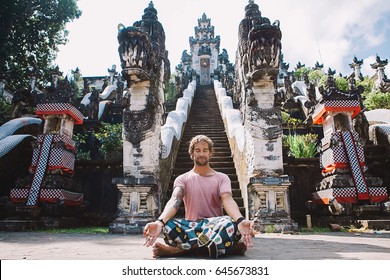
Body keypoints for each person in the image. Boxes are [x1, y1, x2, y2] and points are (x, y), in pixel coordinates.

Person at [143, 134, 254, 258]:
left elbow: (227, 199)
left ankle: (181, 250)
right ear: (192, 154)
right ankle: (221, 247)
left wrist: (240, 219)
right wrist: (159, 222)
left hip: (215, 226)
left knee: (230, 223)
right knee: (168, 226)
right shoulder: (182, 179)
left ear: (210, 153)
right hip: (192, 227)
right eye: (198, 150)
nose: (201, 154)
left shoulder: (222, 178)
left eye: (205, 150)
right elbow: (175, 200)